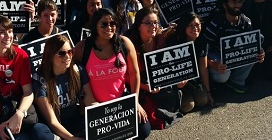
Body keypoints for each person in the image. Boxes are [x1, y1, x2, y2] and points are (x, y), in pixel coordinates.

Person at [0, 15, 55, 140]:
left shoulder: (20, 55)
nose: (8, 37)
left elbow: (28, 92)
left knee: (42, 133)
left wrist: (19, 113)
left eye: (10, 31)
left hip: (15, 111)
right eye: (1, 32)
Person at [73, 8, 150, 139]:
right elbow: (73, 75)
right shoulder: (82, 47)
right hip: (94, 106)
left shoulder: (125, 43)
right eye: (104, 24)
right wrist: (82, 101)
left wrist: (135, 101)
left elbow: (134, 72)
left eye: (113, 24)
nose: (109, 27)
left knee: (143, 129)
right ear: (95, 25)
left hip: (120, 103)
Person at [127, 8, 182, 130]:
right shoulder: (130, 44)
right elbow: (126, 76)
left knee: (188, 103)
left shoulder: (160, 39)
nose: (153, 26)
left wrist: (179, 78)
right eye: (148, 23)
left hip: (157, 84)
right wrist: (145, 87)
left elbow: (168, 66)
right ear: (138, 26)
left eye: (155, 23)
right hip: (137, 85)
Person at [202, 0, 265, 94]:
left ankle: (237, 81)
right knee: (222, 76)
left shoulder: (246, 22)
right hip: (217, 55)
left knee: (258, 41)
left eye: (240, 2)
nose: (237, 5)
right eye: (233, 2)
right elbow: (202, 50)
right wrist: (213, 64)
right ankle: (218, 80)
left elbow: (255, 44)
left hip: (236, 55)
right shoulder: (216, 24)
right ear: (224, 5)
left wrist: (261, 53)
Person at [33, 35, 96, 140]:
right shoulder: (39, 79)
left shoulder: (78, 70)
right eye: (61, 53)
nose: (67, 57)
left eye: (70, 52)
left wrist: (103, 112)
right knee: (38, 130)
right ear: (50, 55)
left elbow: (89, 99)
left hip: (74, 120)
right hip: (54, 127)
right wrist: (71, 138)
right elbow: (52, 121)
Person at [165, 12, 213, 112]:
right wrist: (176, 83)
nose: (195, 28)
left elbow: (203, 68)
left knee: (203, 101)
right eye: (190, 26)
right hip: (178, 83)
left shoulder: (202, 41)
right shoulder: (174, 42)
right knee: (188, 106)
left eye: (197, 25)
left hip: (193, 81)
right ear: (184, 26)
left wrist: (208, 92)